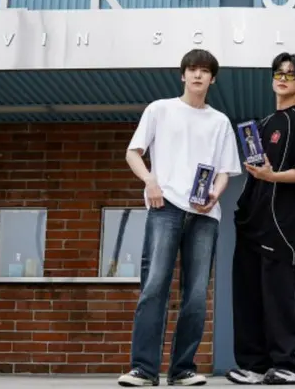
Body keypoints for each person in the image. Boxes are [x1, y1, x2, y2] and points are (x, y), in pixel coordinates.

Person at [118, 49, 242, 387]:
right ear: (182, 75)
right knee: (155, 285)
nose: (198, 75)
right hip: (165, 207)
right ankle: (143, 369)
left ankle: (182, 368)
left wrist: (215, 194)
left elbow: (225, 171)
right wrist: (150, 180)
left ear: (213, 78)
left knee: (196, 293)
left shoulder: (220, 122)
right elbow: (133, 152)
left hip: (204, 214)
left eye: (205, 71)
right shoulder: (160, 109)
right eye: (192, 69)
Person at [226, 52, 295, 385]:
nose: (283, 79)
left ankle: (291, 365)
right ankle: (254, 364)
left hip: (287, 224)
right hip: (255, 221)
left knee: (282, 296)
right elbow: (255, 174)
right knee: (249, 294)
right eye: (278, 73)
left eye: (290, 75)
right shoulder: (262, 125)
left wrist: (271, 177)